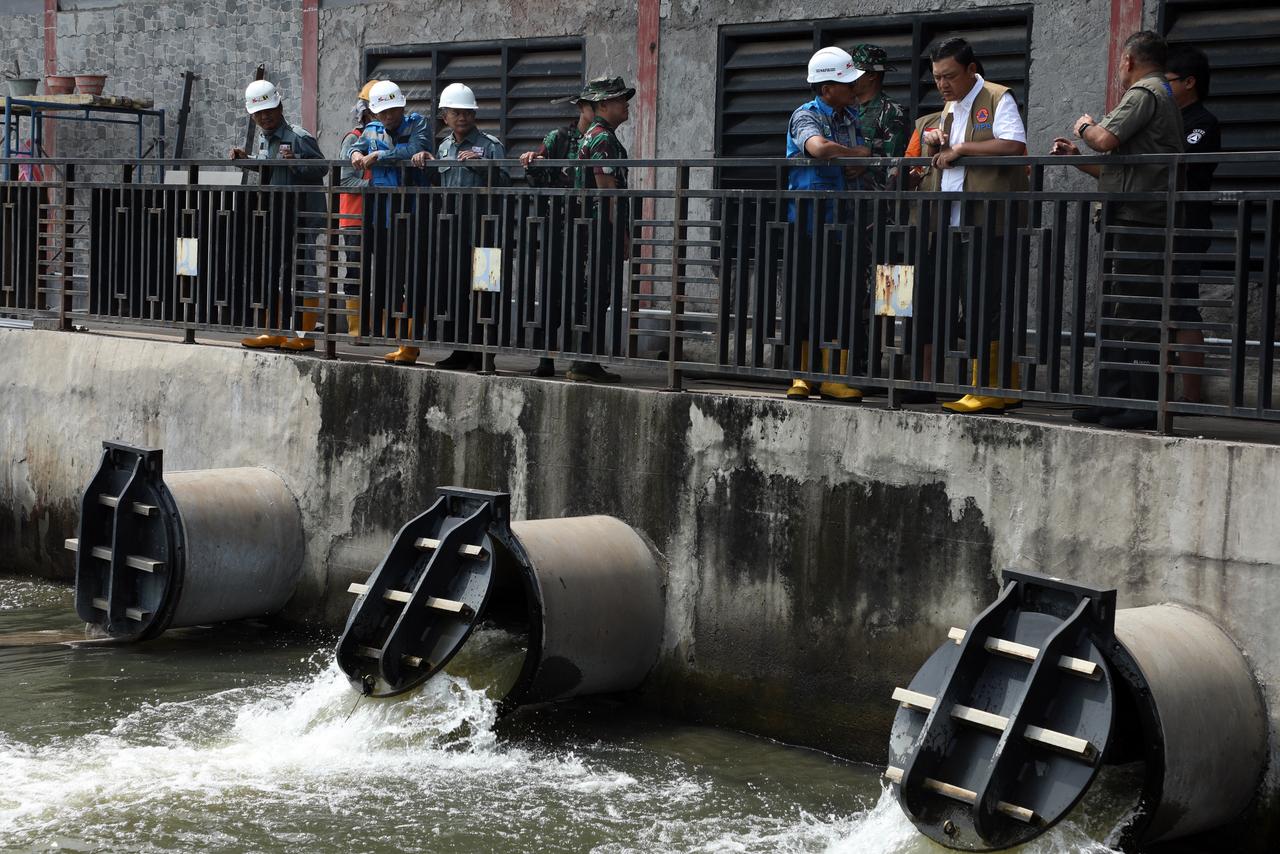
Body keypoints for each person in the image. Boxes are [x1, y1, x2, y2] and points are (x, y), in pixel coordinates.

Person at [1052, 31, 1184, 429]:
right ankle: (1113, 397)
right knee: (1116, 311)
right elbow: (1118, 170)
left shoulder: (1145, 92)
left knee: (1137, 311)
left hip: (1140, 222)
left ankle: (1142, 404)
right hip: (1130, 215)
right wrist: (1078, 159)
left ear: (1128, 60)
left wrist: (1085, 127)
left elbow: (1105, 138)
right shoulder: (1159, 94)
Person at [913, 38, 1029, 415]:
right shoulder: (949, 107)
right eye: (936, 77)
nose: (942, 84)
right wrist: (938, 144)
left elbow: (1013, 145)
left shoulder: (997, 97)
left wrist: (962, 149)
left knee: (986, 302)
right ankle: (1001, 386)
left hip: (989, 217)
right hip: (954, 217)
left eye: (949, 76)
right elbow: (947, 157)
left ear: (971, 70)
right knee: (970, 300)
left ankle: (989, 387)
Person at [784, 46, 871, 402]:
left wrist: (856, 159)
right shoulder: (804, 116)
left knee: (841, 299)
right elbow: (818, 149)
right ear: (826, 89)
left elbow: (861, 157)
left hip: (844, 222)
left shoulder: (851, 117)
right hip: (807, 223)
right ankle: (802, 377)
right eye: (847, 83)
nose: (854, 89)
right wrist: (855, 155)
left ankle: (835, 376)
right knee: (803, 299)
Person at [412, 82, 509, 371]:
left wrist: (482, 165)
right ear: (445, 117)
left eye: (467, 112)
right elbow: (441, 185)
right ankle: (459, 349)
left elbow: (505, 183)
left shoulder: (491, 146)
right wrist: (425, 163)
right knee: (456, 289)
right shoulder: (443, 147)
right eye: (456, 113)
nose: (462, 118)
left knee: (486, 289)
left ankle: (485, 352)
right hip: (453, 230)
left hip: (485, 230)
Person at [230, 80, 326, 351]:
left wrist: (296, 162)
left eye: (269, 110)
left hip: (303, 214)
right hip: (277, 214)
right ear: (253, 115)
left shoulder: (299, 136)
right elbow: (270, 166)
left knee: (303, 272)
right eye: (259, 113)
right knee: (273, 272)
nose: (265, 117)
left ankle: (304, 336)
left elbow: (322, 168)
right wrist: (247, 160)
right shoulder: (265, 138)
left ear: (280, 107)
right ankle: (274, 331)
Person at [350, 79, 434, 365]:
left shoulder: (417, 123)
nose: (389, 117)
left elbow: (414, 150)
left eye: (393, 110)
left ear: (402, 107)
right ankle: (397, 339)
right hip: (381, 212)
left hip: (412, 211)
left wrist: (380, 155)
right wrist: (357, 154)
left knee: (411, 275)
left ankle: (410, 343)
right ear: (374, 113)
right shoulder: (371, 130)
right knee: (388, 275)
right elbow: (356, 147)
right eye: (383, 112)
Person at [519, 92, 596, 377]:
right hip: (559, 225)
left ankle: (582, 359)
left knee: (586, 294)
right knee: (552, 291)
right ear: (582, 108)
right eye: (594, 106)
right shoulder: (560, 137)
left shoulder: (603, 139)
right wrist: (532, 160)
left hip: (590, 229)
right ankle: (546, 359)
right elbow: (538, 170)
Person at [570, 75, 637, 384]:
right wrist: (620, 233)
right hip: (600, 227)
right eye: (620, 100)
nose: (626, 105)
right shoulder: (603, 138)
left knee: (593, 291)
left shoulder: (595, 134)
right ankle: (585, 362)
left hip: (593, 225)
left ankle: (586, 360)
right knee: (598, 291)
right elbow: (606, 191)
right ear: (604, 104)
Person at [1166, 44, 1220, 404]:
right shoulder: (1167, 119)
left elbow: (1180, 165)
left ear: (1189, 82)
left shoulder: (1202, 122)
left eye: (1166, 81)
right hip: (1160, 224)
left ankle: (1191, 397)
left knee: (1182, 305)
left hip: (1187, 225)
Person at [337, 81, 378, 345]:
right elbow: (345, 180)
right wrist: (375, 187)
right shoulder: (353, 139)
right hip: (355, 218)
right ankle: (357, 330)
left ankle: (383, 328)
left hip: (379, 216)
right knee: (356, 272)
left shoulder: (388, 140)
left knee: (385, 272)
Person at [847, 44, 909, 190]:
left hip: (876, 202)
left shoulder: (890, 111)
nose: (848, 77)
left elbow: (895, 163)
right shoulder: (845, 108)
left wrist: (867, 164)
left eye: (854, 71)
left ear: (871, 75)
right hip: (846, 200)